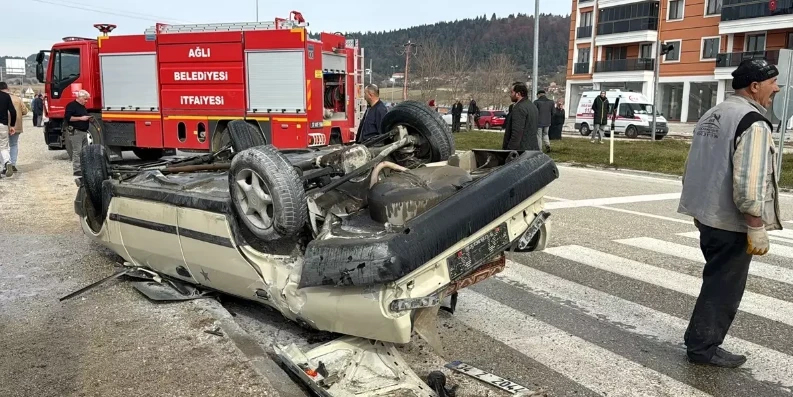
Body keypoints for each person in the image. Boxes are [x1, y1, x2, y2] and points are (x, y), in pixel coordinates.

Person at [678, 58, 782, 368]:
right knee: (724, 286)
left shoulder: (714, 113)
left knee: (715, 280)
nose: (776, 88)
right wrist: (755, 225)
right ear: (754, 86)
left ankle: (698, 340)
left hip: (708, 217)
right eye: (771, 83)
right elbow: (750, 181)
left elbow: (693, 168)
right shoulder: (753, 122)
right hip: (731, 222)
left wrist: (699, 213)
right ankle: (703, 348)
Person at [502, 82, 539, 151]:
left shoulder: (519, 108)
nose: (510, 95)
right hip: (532, 149)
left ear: (518, 94)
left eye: (511, 92)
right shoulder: (532, 106)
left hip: (521, 151)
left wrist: (508, 152)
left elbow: (516, 134)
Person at [64, 89, 93, 177]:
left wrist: (88, 119)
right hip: (76, 131)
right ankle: (77, 170)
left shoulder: (83, 106)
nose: (86, 101)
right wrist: (81, 118)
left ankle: (83, 168)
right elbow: (68, 118)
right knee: (77, 151)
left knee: (84, 151)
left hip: (84, 132)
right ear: (80, 97)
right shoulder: (71, 106)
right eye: (85, 99)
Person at [4, 88, 28, 173]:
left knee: (3, 146)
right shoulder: (17, 99)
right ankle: (13, 164)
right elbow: (25, 111)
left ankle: (5, 163)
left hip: (3, 125)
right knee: (13, 144)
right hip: (16, 125)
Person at [0, 82, 17, 178]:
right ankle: (7, 162)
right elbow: (13, 112)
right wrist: (12, 125)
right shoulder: (6, 97)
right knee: (3, 147)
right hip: (3, 125)